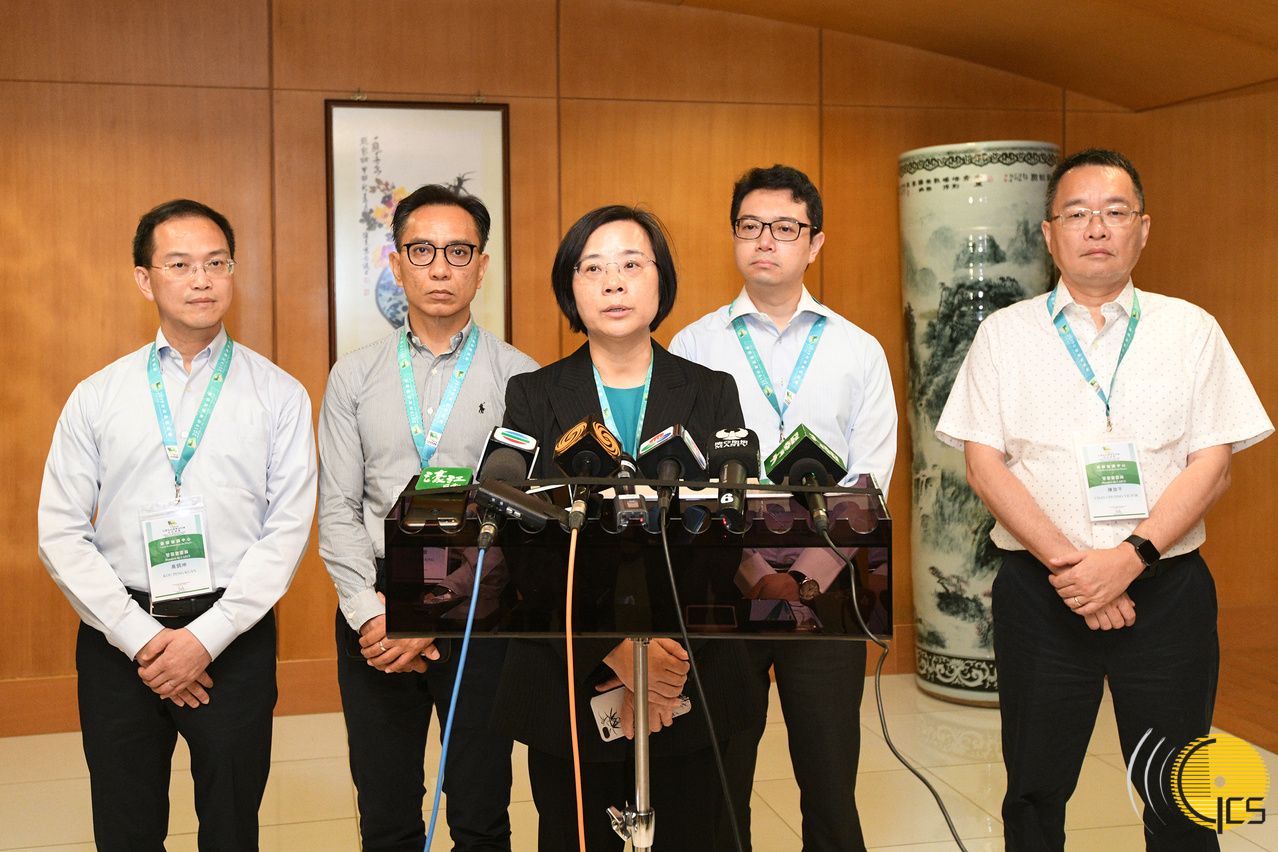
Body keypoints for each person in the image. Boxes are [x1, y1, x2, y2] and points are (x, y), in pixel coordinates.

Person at [936, 148, 1272, 851]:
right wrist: (1075, 570)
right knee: (1033, 790)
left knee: (1180, 794)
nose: (1097, 227)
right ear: (1049, 232)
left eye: (1116, 212)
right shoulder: (1004, 335)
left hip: (1167, 591)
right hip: (1042, 593)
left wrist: (1129, 558)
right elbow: (984, 464)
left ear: (1143, 229)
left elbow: (1213, 463)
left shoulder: (1191, 329)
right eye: (1078, 213)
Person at [37, 199, 318, 850]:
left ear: (233, 273)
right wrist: (141, 638)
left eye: (216, 264)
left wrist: (204, 639)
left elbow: (286, 531)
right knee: (125, 825)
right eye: (181, 265)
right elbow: (60, 531)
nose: (202, 280)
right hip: (118, 637)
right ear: (145, 279)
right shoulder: (97, 395)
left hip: (233, 635)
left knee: (231, 824)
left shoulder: (279, 395)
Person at [494, 205, 762, 850]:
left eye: (631, 265)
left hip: (690, 669)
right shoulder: (532, 394)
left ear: (660, 281)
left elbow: (727, 531)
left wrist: (659, 659)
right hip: (572, 671)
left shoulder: (711, 391)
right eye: (592, 268)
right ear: (571, 288)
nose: (613, 282)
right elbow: (524, 541)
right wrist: (612, 647)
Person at [670, 164, 896, 851]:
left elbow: (869, 481)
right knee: (719, 778)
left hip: (828, 592)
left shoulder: (858, 350)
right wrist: (752, 574)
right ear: (734, 237)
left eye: (785, 227)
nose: (765, 240)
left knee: (829, 784)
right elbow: (683, 481)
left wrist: (801, 577)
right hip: (722, 588)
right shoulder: (692, 347)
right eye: (750, 226)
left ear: (815, 242)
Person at [318, 184, 536, 851]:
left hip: (480, 607)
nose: (440, 267)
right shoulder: (352, 376)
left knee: (480, 810)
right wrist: (373, 613)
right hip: (378, 608)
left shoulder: (520, 379)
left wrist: (436, 610)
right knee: (385, 813)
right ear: (397, 263)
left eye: (458, 252)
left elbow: (521, 519)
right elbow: (337, 507)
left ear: (481, 266)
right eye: (422, 251)